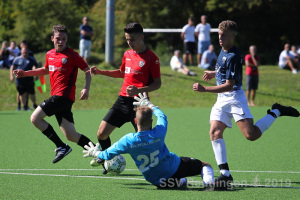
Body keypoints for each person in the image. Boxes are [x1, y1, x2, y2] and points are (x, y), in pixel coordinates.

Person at [193, 20, 300, 189]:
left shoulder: (234, 55)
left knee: (251, 135)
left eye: (224, 35)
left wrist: (205, 89)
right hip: (222, 99)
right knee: (214, 132)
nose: (220, 38)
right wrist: (213, 73)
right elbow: (223, 69)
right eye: (219, 35)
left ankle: (277, 111)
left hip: (234, 98)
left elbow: (229, 84)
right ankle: (225, 175)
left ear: (233, 36)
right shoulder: (223, 50)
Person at [83, 93, 215, 189]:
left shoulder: (128, 140)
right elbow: (162, 116)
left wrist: (94, 152)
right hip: (174, 168)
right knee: (205, 165)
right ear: (151, 122)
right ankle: (209, 184)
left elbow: (106, 155)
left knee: (177, 180)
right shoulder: (159, 132)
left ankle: (179, 182)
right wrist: (149, 104)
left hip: (156, 181)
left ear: (135, 121)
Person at [13, 24, 95, 164]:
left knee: (35, 118)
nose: (61, 41)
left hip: (63, 96)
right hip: (59, 98)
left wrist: (86, 88)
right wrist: (25, 73)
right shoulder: (49, 54)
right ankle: (101, 153)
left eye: (63, 39)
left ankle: (61, 146)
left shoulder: (73, 55)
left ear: (67, 39)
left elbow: (87, 70)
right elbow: (45, 70)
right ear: (52, 38)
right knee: (71, 135)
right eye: (58, 38)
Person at [86, 22, 161, 174]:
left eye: (132, 39)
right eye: (127, 39)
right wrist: (101, 72)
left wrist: (138, 89)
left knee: (147, 142)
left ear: (141, 37)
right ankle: (108, 159)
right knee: (101, 133)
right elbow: (122, 73)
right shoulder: (127, 54)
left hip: (140, 103)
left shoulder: (152, 58)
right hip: (122, 101)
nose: (129, 42)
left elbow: (157, 84)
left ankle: (160, 169)